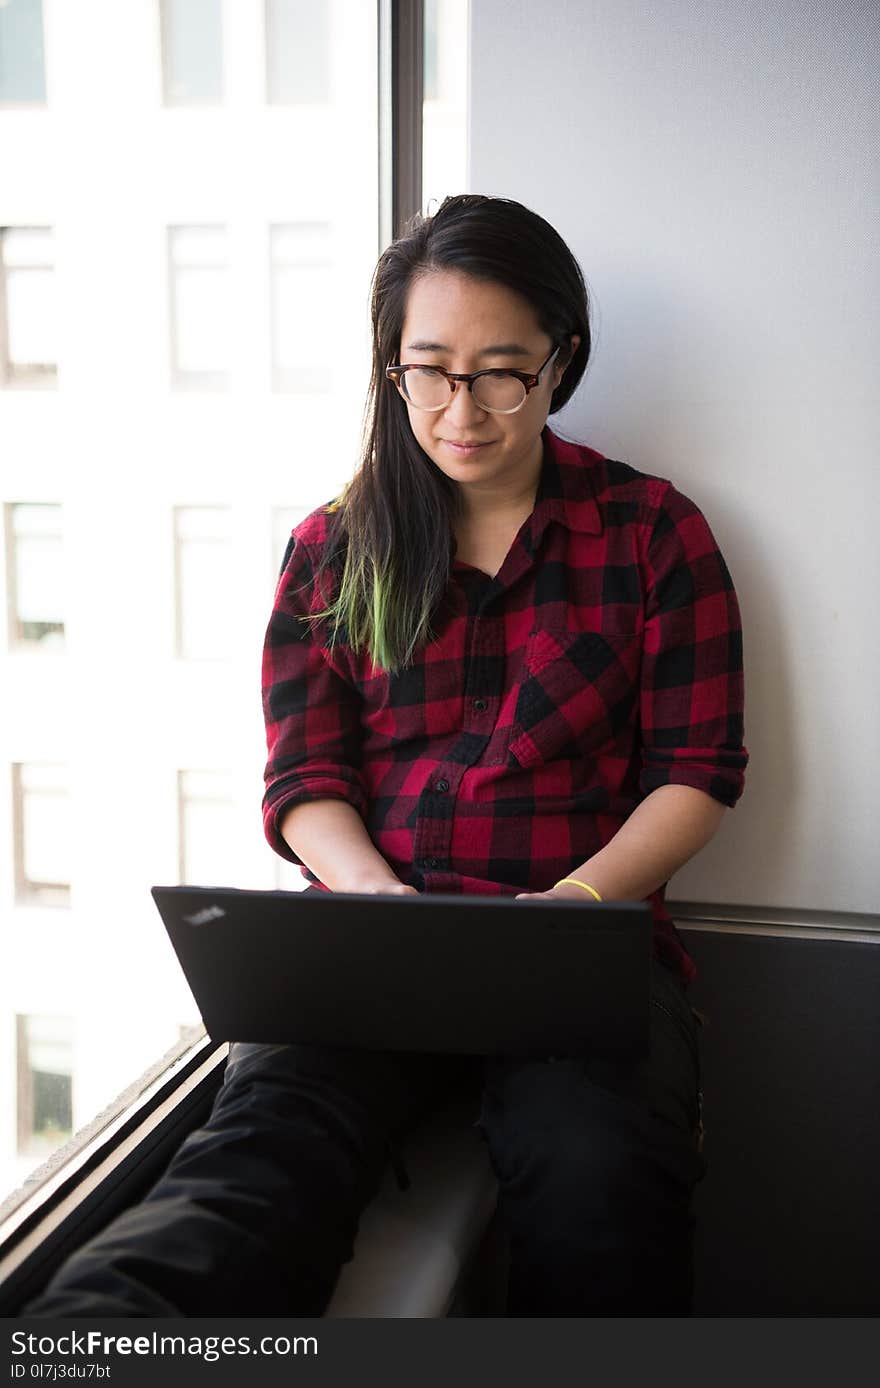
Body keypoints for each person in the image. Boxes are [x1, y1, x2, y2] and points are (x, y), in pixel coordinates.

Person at [24, 194, 747, 1318]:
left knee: (599, 1179)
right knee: (248, 1171)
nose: (462, 408)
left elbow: (694, 771)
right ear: (391, 367)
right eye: (429, 369)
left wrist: (574, 900)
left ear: (562, 359)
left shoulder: (653, 532)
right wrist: (373, 898)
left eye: (501, 370)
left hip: (578, 946)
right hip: (365, 947)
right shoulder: (331, 544)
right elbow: (304, 776)